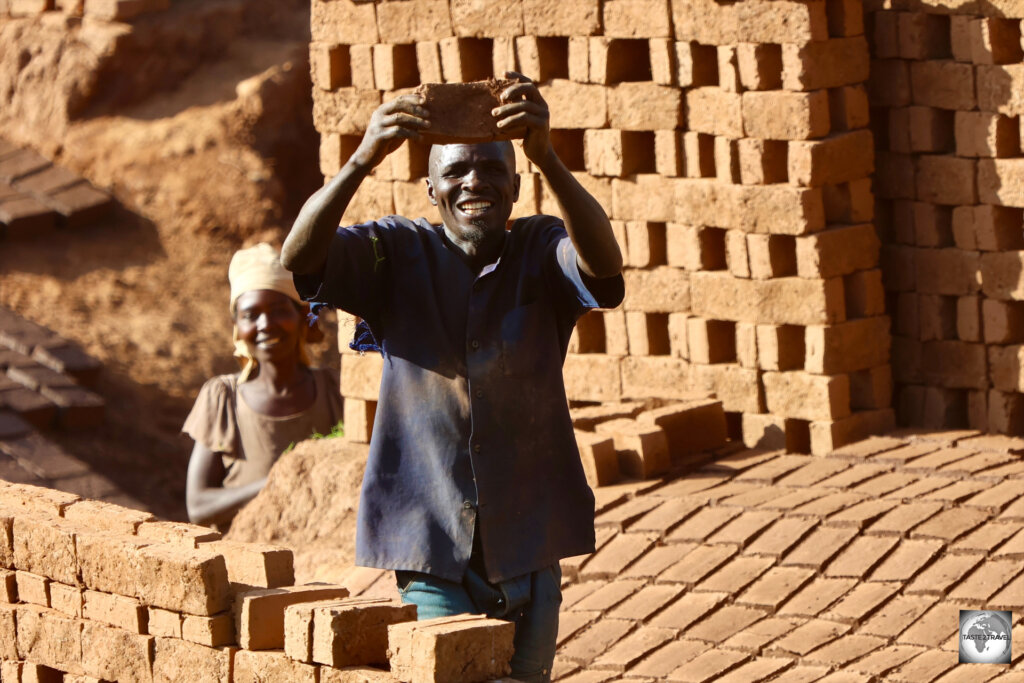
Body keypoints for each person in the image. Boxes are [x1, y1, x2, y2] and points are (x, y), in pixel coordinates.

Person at [281, 72, 623, 681]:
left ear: (516, 187)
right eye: (457, 171)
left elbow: (603, 267)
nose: (475, 183)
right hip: (432, 548)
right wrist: (364, 155)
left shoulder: (541, 248)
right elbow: (300, 258)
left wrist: (547, 154)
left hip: (530, 542)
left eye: (493, 171)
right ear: (431, 187)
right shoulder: (392, 252)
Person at [183, 243, 343, 530]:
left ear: (302, 317)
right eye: (250, 315)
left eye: (280, 310)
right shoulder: (224, 399)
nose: (266, 324)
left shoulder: (334, 391)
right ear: (237, 326)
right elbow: (198, 506)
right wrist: (281, 479)